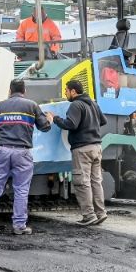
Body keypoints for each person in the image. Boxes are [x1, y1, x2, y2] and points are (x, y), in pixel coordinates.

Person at [0, 78, 51, 235]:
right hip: (22, 152)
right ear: (24, 91)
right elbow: (45, 127)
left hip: (2, 151)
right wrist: (50, 118)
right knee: (21, 190)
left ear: (9, 91)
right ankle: (19, 226)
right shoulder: (31, 105)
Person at [48, 79, 108, 227]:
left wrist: (54, 118)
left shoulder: (76, 104)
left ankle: (89, 216)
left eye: (66, 91)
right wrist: (89, 125)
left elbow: (70, 124)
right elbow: (103, 120)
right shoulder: (92, 103)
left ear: (73, 91)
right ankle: (101, 213)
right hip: (96, 147)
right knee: (96, 182)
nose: (65, 94)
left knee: (82, 183)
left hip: (82, 149)